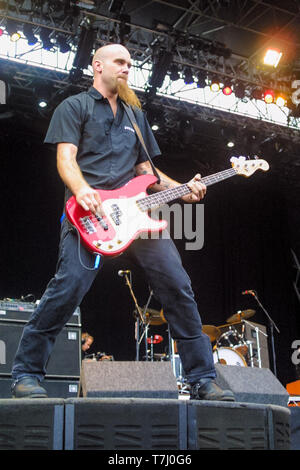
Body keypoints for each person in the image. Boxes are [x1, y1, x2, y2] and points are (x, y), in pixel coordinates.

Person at [11, 43, 234, 401]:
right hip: (89, 214)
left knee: (178, 286)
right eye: (120, 62)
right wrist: (82, 189)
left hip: (136, 216)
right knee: (67, 288)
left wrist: (183, 190)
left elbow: (147, 172)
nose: (127, 68)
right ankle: (26, 374)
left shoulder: (135, 115)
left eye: (131, 63)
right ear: (97, 66)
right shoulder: (74, 106)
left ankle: (203, 379)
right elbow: (66, 159)